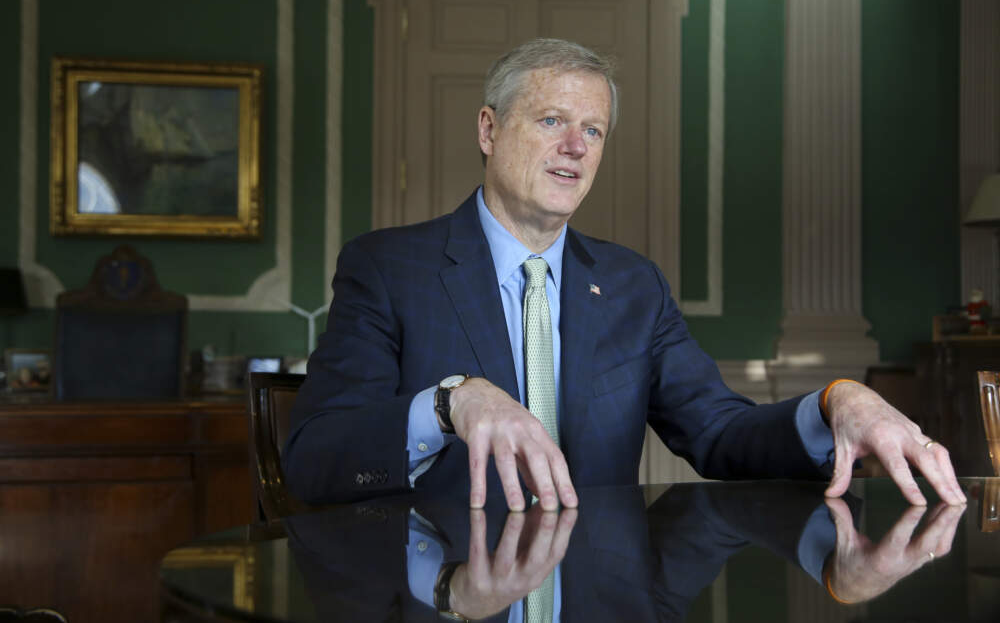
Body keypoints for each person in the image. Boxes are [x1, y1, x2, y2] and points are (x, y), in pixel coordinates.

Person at [283, 38, 965, 513]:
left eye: (594, 130)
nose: (575, 147)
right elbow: (314, 460)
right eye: (551, 120)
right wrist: (448, 402)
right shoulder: (387, 268)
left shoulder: (634, 286)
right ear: (488, 130)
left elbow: (722, 432)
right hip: (444, 596)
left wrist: (836, 402)